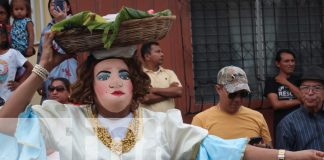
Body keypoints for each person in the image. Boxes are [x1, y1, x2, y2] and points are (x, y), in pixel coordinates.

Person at [0, 32, 323, 160]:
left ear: (136, 82)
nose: (116, 81)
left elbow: (228, 150)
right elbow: (5, 122)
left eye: (124, 74)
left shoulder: (161, 124)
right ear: (90, 84)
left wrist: (292, 156)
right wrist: (43, 68)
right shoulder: (65, 117)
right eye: (104, 75)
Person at [192, 66, 272, 148]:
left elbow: (271, 151)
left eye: (243, 94)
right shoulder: (201, 120)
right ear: (218, 89)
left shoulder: (257, 117)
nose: (238, 99)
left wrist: (264, 149)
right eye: (232, 94)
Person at [37, 0, 77, 103]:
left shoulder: (75, 23)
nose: (55, 7)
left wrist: (62, 21)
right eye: (52, 4)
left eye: (59, 3)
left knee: (70, 100)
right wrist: (38, 79)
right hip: (51, 70)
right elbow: (41, 54)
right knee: (52, 102)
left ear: (68, 7)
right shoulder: (46, 29)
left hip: (70, 70)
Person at [276, 65, 324, 151]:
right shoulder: (288, 124)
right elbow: (282, 157)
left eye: (316, 88)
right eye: (305, 88)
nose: (310, 93)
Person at [264, 49, 302, 144]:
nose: (291, 64)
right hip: (282, 124)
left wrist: (286, 83)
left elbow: (304, 97)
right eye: (286, 61)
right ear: (278, 64)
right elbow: (276, 104)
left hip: (301, 123)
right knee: (283, 153)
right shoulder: (271, 81)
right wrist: (299, 101)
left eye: (292, 61)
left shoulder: (300, 80)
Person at [140, 42, 183, 112]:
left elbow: (178, 91)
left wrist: (153, 90)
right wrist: (170, 92)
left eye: (161, 52)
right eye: (158, 52)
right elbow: (146, 98)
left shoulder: (169, 73)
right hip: (149, 121)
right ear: (147, 56)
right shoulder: (140, 75)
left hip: (168, 120)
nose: (162, 54)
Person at [0, 22, 32, 106]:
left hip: (10, 99)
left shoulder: (13, 53)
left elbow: (30, 68)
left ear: (3, 37)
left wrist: (20, 83)